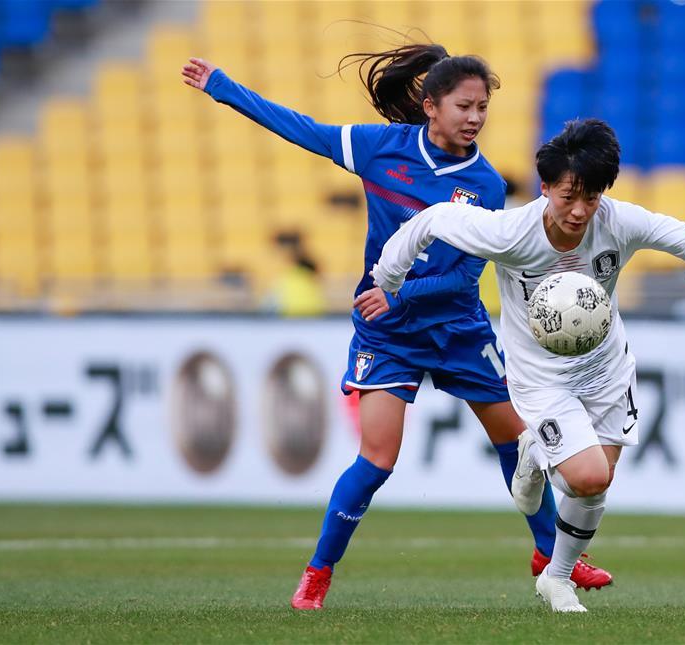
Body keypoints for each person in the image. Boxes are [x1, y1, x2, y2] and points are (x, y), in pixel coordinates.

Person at [181, 44, 612, 610]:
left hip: (457, 328)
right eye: (465, 105)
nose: (476, 117)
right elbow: (300, 129)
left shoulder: (483, 184)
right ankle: (317, 573)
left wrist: (398, 290)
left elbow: (463, 279)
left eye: (483, 106)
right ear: (430, 106)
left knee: (518, 440)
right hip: (388, 334)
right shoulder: (379, 148)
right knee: (377, 459)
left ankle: (549, 554)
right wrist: (223, 87)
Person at [373, 118, 685, 612]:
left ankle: (557, 578)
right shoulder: (511, 233)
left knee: (596, 484)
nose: (580, 210)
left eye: (591, 197)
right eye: (569, 196)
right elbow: (432, 220)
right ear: (545, 187)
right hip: (542, 378)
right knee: (584, 478)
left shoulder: (617, 222)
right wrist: (388, 277)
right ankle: (538, 457)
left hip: (607, 369)